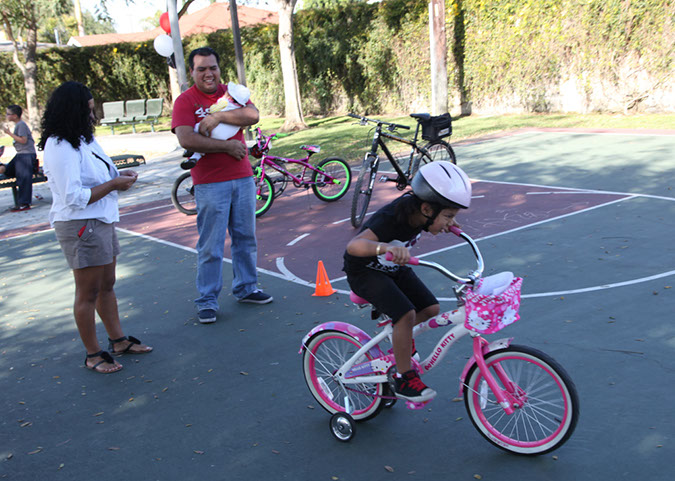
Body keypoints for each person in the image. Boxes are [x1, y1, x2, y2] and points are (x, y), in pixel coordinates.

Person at [39, 81, 152, 374]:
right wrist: (114, 184)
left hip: (101, 219)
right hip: (81, 225)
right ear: (72, 111)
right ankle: (92, 354)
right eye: (88, 111)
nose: (93, 117)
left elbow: (101, 174)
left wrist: (118, 176)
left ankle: (118, 341)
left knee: (107, 285)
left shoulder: (83, 139)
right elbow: (73, 197)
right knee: (87, 293)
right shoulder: (59, 144)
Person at [343, 161, 472, 402]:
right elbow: (354, 246)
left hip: (392, 266)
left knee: (431, 309)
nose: (450, 222)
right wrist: (386, 246)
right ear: (426, 209)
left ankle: (397, 340)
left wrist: (446, 221)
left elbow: (434, 222)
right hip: (364, 270)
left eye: (452, 216)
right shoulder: (392, 217)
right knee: (406, 315)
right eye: (448, 216)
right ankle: (403, 377)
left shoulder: (420, 214)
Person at [172, 46, 272, 325]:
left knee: (245, 238)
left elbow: (252, 115)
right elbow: (187, 139)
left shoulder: (232, 93)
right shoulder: (185, 101)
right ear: (192, 71)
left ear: (219, 68)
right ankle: (207, 300)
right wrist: (227, 148)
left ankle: (246, 287)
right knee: (211, 245)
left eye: (212, 67)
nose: (208, 73)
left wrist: (217, 116)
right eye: (201, 68)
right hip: (209, 182)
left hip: (242, 177)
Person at [180, 82, 251, 170]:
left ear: (229, 96)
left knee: (197, 129)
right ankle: (195, 157)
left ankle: (191, 150)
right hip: (226, 135)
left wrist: (215, 113)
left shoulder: (225, 102)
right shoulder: (241, 109)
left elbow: (213, 109)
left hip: (213, 129)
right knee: (204, 146)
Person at [0, 105, 38, 211]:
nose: (6, 116)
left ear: (15, 116)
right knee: (7, 170)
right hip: (20, 155)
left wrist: (9, 133)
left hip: (26, 155)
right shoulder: (18, 125)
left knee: (24, 179)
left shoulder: (21, 125)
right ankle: (21, 202)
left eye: (8, 114)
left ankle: (24, 203)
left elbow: (23, 140)